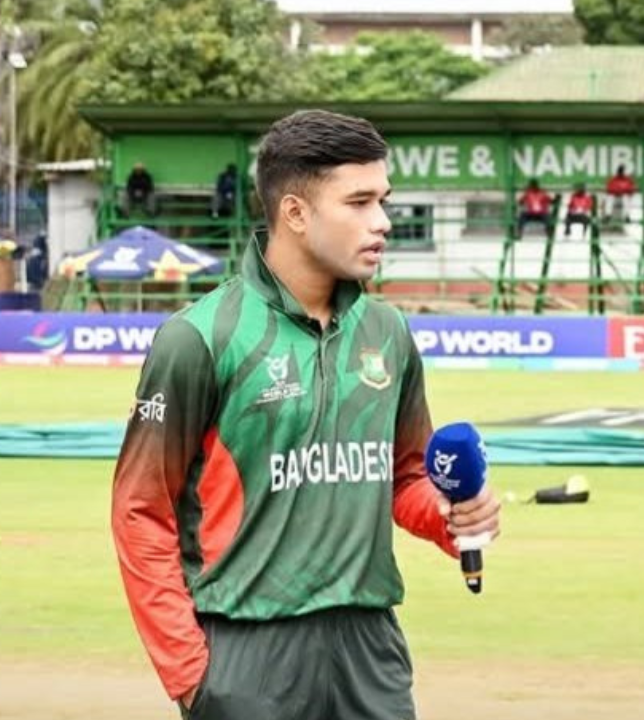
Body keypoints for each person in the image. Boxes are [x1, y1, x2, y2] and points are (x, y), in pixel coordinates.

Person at [111, 109, 502, 720]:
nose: (383, 221)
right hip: (246, 652)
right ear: (295, 213)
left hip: (369, 651)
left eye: (383, 200)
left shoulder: (387, 331)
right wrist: (191, 676)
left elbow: (405, 478)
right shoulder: (200, 338)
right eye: (359, 202)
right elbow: (140, 512)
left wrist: (451, 514)